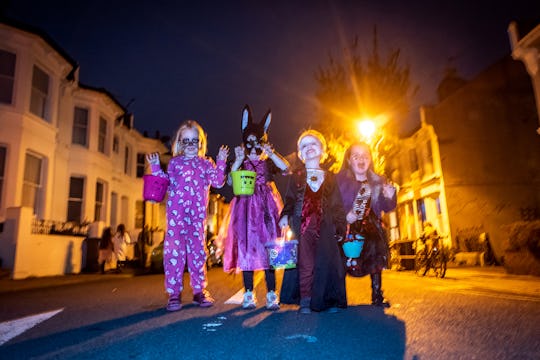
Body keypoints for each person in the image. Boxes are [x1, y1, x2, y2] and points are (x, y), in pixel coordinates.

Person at [146, 120, 229, 312]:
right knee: (174, 253)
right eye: (186, 141)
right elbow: (166, 183)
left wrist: (221, 161)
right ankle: (174, 293)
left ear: (201, 143)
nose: (191, 145)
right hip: (176, 218)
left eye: (194, 141)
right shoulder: (175, 163)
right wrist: (156, 168)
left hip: (197, 219)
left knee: (197, 254)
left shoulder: (206, 163)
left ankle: (199, 291)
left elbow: (217, 182)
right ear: (180, 144)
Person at [216, 105, 289, 310]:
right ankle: (249, 292)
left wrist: (272, 154)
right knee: (246, 249)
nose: (255, 149)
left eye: (259, 143)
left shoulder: (267, 162)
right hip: (246, 210)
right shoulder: (242, 160)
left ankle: (272, 293)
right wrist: (237, 161)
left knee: (269, 249)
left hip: (267, 210)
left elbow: (286, 169)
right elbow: (230, 182)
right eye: (251, 144)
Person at [278, 129, 347, 314]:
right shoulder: (297, 176)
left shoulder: (330, 177)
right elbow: (290, 199)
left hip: (325, 226)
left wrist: (341, 225)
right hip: (303, 226)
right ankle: (306, 299)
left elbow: (337, 203)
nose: (309, 147)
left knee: (326, 263)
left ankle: (328, 299)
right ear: (300, 153)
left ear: (322, 151)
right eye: (304, 145)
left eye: (313, 144)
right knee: (306, 264)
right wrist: (285, 215)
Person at [336, 142, 397, 307]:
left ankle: (377, 295)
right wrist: (345, 216)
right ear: (349, 160)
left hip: (371, 226)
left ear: (370, 159)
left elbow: (386, 206)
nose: (361, 159)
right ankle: (338, 297)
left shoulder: (378, 181)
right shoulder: (338, 180)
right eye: (356, 156)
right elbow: (332, 206)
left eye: (365, 156)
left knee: (376, 257)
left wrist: (391, 196)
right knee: (342, 260)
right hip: (348, 225)